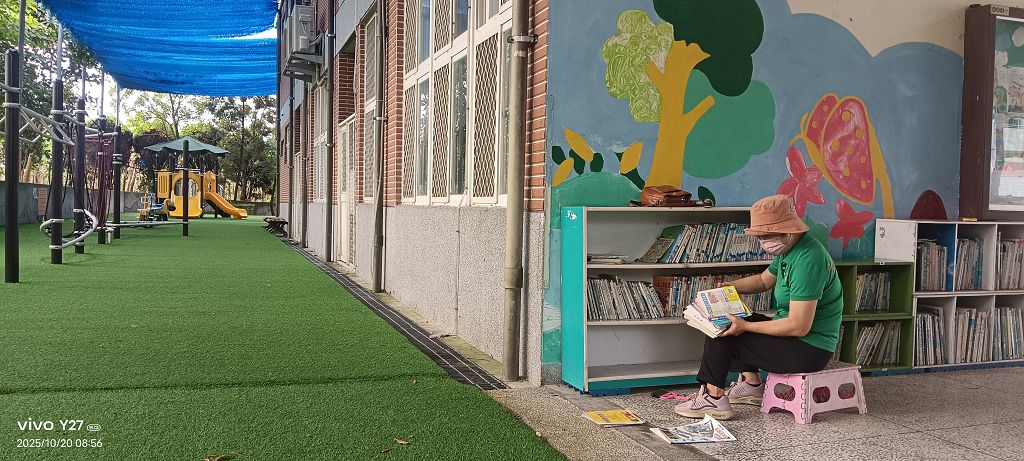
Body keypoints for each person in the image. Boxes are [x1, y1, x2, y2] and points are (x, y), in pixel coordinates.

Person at [675, 195, 843, 420]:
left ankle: (713, 398)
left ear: (787, 231)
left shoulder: (808, 260)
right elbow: (764, 281)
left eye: (766, 235)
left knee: (723, 333)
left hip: (809, 350)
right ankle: (752, 385)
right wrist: (730, 287)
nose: (762, 241)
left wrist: (745, 327)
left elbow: (798, 326)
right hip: (798, 341)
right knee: (738, 321)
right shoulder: (791, 250)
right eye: (759, 236)